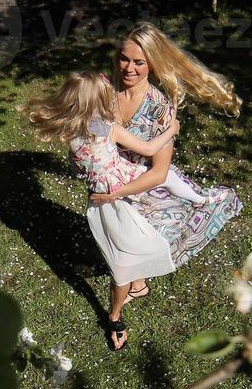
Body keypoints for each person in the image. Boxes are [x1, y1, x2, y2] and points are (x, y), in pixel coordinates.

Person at [91, 23, 242, 328]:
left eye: (138, 62)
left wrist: (117, 193)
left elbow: (159, 172)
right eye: (124, 59)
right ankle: (138, 285)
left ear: (152, 64)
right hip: (109, 180)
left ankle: (117, 311)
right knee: (116, 240)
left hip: (141, 187)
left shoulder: (160, 109)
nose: (128, 68)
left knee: (125, 253)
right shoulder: (105, 91)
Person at [26, 71, 180, 350]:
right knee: (122, 258)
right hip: (109, 201)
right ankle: (126, 298)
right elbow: (147, 148)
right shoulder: (107, 128)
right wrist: (172, 130)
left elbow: (82, 166)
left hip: (112, 197)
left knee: (122, 259)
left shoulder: (72, 131)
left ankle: (115, 314)